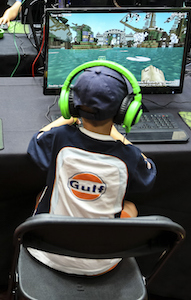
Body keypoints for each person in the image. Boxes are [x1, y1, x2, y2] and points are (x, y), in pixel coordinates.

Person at [26, 65, 157, 276]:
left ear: (69, 104)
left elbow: (36, 143)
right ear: (126, 112)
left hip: (46, 251)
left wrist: (65, 120)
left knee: (44, 195)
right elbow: (148, 175)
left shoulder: (59, 138)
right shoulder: (129, 156)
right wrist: (119, 137)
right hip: (102, 263)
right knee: (130, 207)